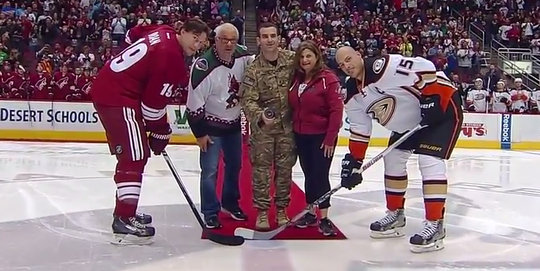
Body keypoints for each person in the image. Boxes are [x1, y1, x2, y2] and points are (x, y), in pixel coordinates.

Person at [90, 19, 210, 245]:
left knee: (135, 154)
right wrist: (161, 132)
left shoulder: (163, 31)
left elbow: (133, 34)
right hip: (117, 97)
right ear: (182, 31)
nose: (197, 46)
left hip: (114, 89)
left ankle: (126, 210)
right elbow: (151, 107)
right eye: (195, 39)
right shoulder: (171, 59)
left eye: (202, 43)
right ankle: (124, 217)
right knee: (134, 155)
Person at [335, 46, 463, 253]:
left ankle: (435, 224)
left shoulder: (381, 67)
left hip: (442, 109)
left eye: (349, 59)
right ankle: (395, 215)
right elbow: (360, 128)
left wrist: (431, 97)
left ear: (359, 54)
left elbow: (424, 66)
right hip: (409, 124)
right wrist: (355, 162)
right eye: (342, 65)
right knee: (393, 159)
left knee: (429, 161)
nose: (347, 66)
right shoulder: (352, 92)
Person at [186, 23, 253, 229]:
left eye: (233, 39)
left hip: (233, 123)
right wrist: (200, 133)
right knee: (210, 171)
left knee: (235, 165)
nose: (229, 44)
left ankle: (230, 203)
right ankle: (210, 211)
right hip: (211, 126)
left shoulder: (243, 56)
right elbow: (193, 102)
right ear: (215, 39)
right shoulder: (203, 66)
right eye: (224, 39)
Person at [240, 22, 296, 230]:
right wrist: (260, 115)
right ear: (258, 40)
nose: (270, 40)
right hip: (263, 130)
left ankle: (282, 210)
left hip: (288, 129)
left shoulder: (292, 60)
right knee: (261, 173)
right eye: (265, 36)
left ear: (279, 38)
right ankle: (262, 213)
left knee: (285, 171)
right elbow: (248, 100)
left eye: (273, 35)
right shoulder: (253, 69)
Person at [288, 40, 343, 236]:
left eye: (308, 56)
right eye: (302, 57)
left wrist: (330, 138)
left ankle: (325, 217)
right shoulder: (296, 78)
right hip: (301, 134)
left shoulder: (328, 79)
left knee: (320, 175)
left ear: (317, 57)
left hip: (321, 137)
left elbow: (337, 110)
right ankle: (311, 212)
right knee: (308, 174)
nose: (305, 60)